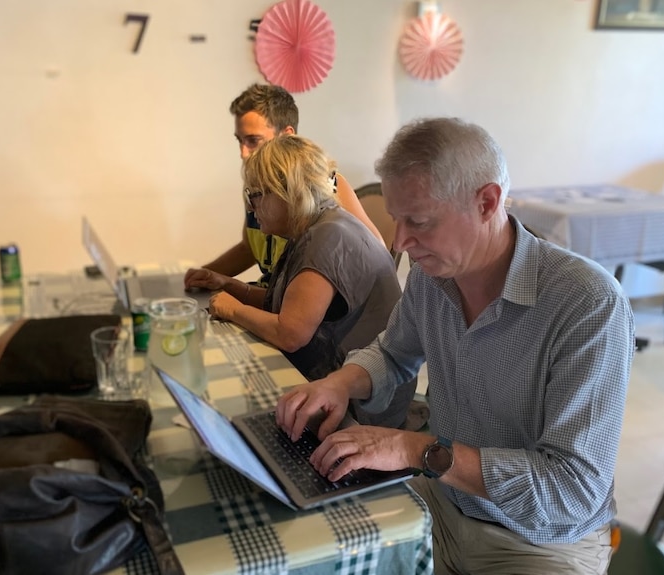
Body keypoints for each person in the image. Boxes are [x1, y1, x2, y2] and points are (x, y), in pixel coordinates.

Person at [275, 118, 635, 574]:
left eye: (419, 221)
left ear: (487, 202)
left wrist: (416, 451)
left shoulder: (586, 304)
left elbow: (571, 490)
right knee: (306, 542)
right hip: (443, 507)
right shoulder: (433, 273)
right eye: (396, 219)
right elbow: (393, 352)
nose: (400, 242)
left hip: (539, 543)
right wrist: (339, 383)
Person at [203, 135, 410, 428]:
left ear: (285, 191)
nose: (251, 208)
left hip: (360, 411)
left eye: (255, 195)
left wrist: (231, 309)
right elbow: (289, 304)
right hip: (342, 386)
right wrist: (230, 286)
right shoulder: (318, 225)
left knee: (229, 405)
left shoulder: (328, 237)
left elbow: (291, 332)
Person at [184, 84, 384, 291]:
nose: (244, 153)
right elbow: (250, 248)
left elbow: (374, 251)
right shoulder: (256, 188)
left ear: (287, 135)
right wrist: (206, 274)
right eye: (240, 140)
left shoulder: (324, 185)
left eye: (253, 140)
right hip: (270, 295)